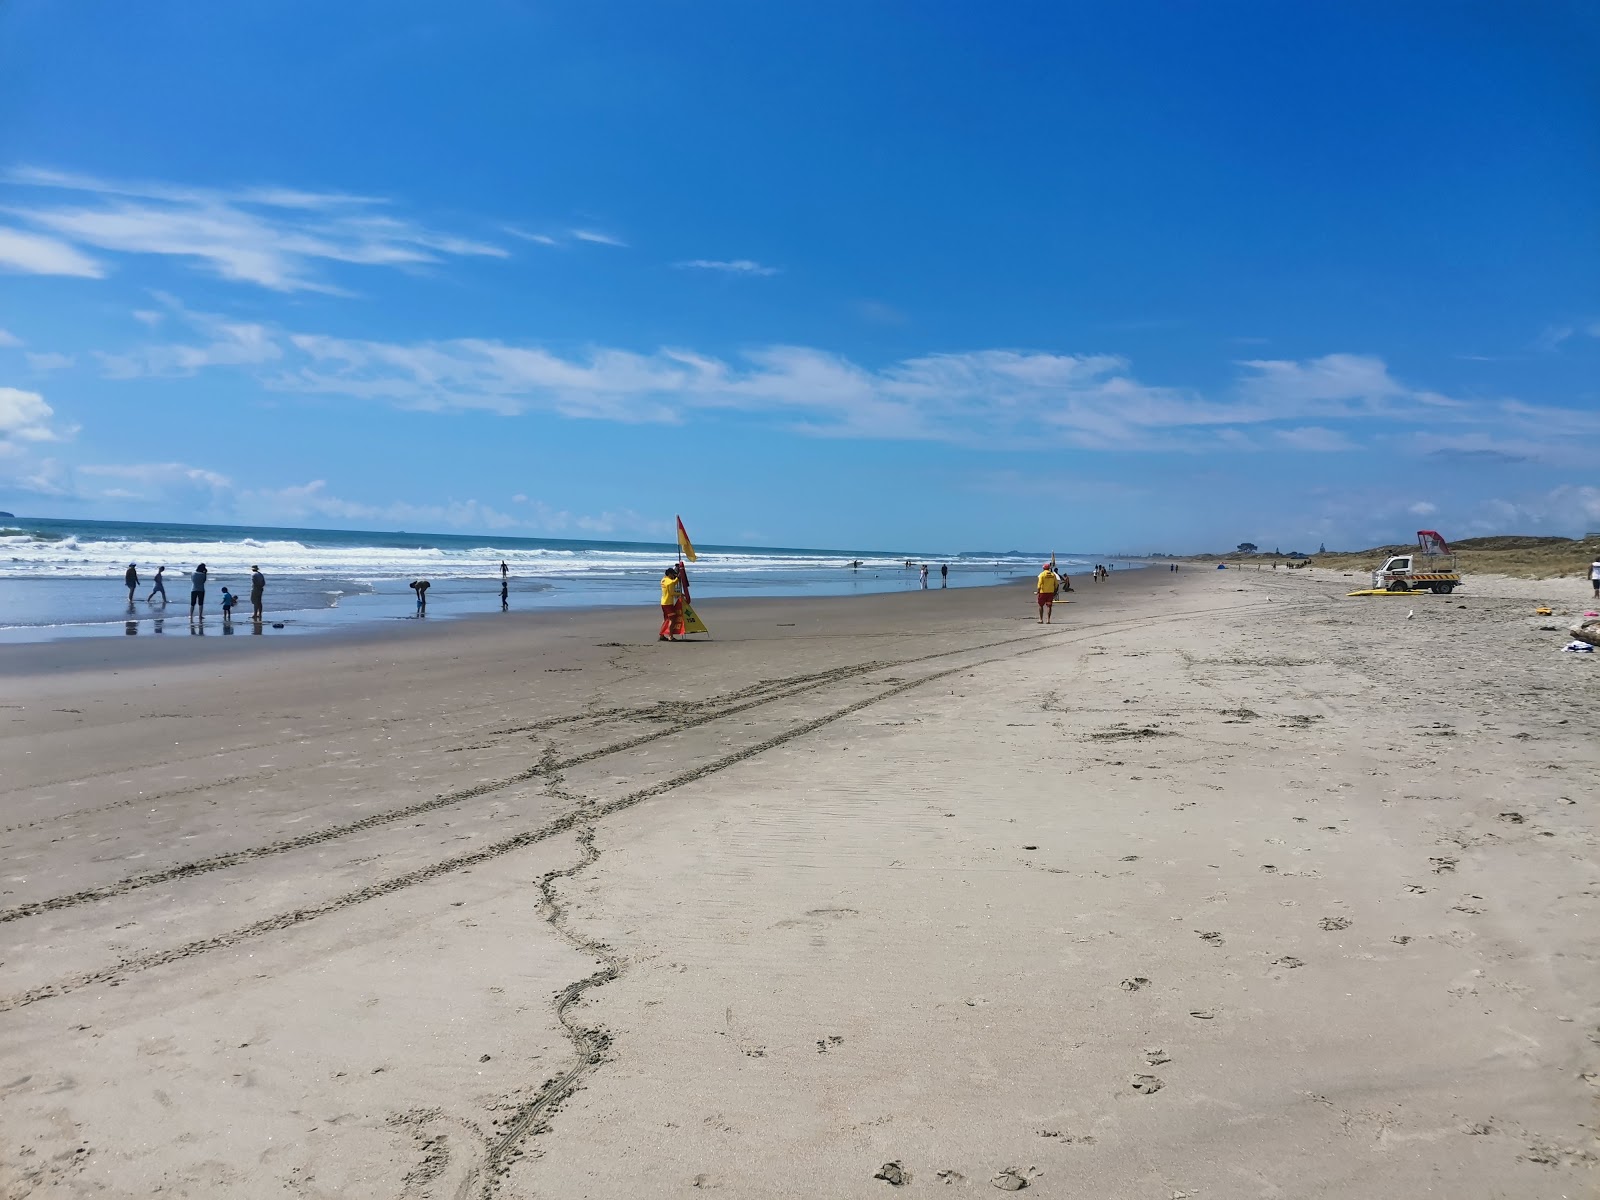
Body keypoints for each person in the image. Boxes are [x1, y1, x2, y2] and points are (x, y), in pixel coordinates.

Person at [659, 565, 682, 641]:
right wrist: (680, 594)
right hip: (668, 603)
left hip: (663, 602)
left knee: (666, 619)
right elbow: (672, 592)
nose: (673, 575)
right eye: (672, 574)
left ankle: (661, 635)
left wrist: (677, 577)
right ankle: (670, 636)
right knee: (672, 619)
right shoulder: (670, 582)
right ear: (669, 574)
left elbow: (672, 582)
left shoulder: (663, 580)